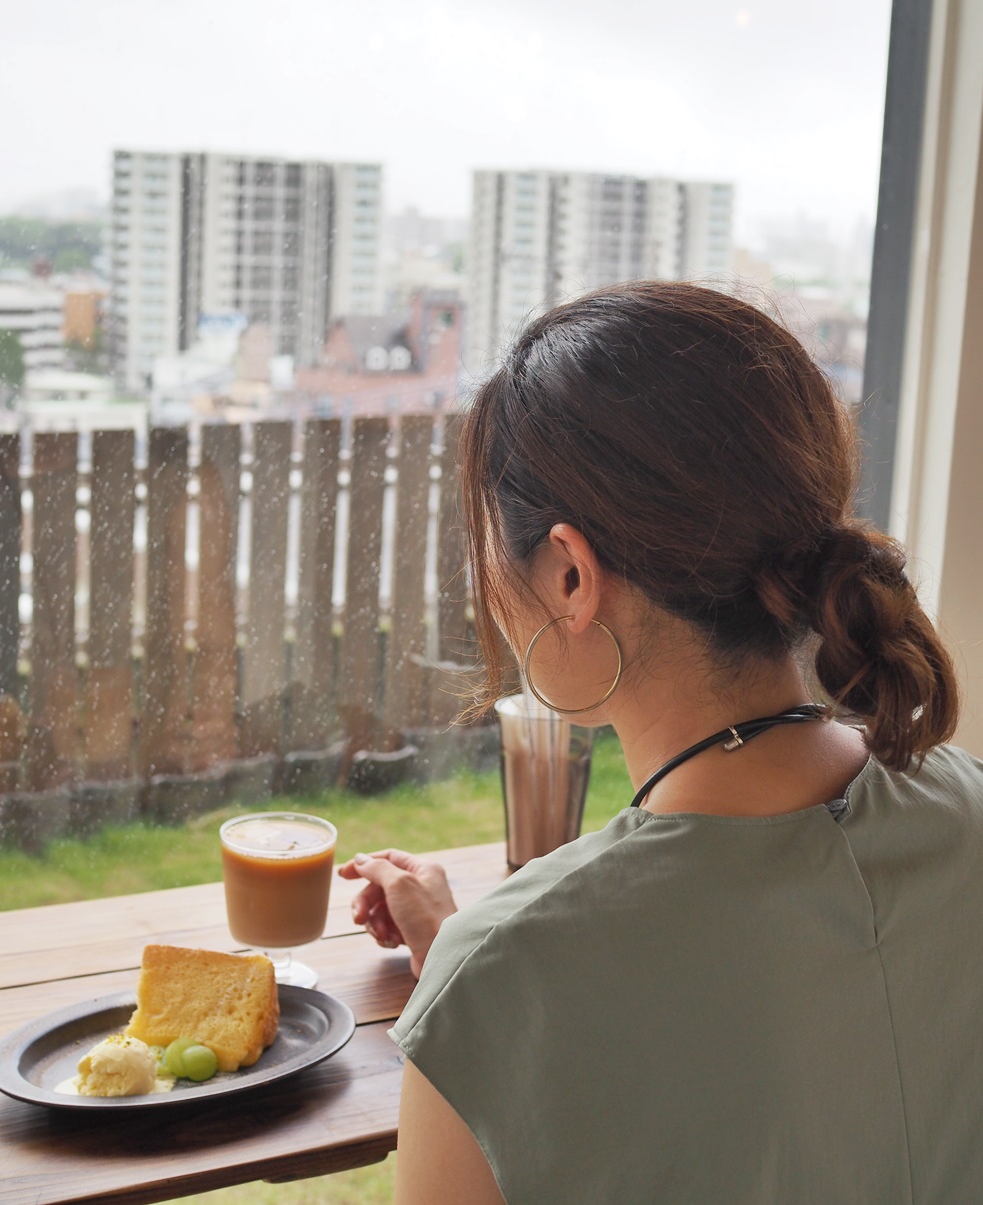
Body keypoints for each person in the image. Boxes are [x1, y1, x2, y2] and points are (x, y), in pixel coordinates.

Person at [338, 280, 977, 1204]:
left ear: (570, 573)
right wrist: (478, 964)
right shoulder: (970, 812)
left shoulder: (493, 994)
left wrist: (485, 984)